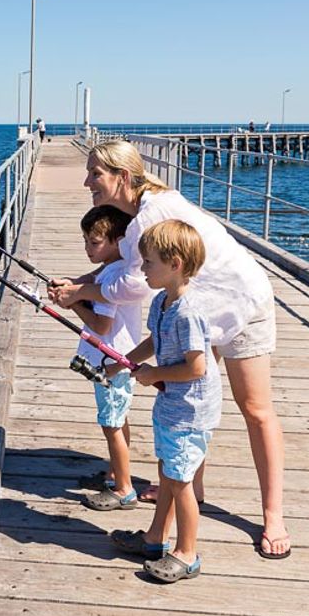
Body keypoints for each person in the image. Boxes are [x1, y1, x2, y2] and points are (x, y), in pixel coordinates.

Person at [48, 139, 291, 559]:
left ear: (122, 177)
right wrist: (78, 285)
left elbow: (133, 283)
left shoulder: (151, 215)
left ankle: (273, 515)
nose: (86, 180)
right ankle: (185, 489)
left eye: (95, 174)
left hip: (241, 302)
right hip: (193, 314)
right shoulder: (137, 213)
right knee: (188, 410)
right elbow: (121, 267)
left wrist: (81, 292)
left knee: (255, 409)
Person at [106, 219, 220, 582]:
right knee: (167, 473)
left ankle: (187, 553)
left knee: (182, 480)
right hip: (172, 406)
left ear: (176, 264)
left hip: (191, 411)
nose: (142, 269)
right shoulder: (161, 301)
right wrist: (124, 361)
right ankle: (156, 538)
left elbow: (197, 368)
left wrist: (154, 375)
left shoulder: (188, 312)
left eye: (149, 263)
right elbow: (154, 342)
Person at [66, 206, 143, 511]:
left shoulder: (112, 279)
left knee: (111, 423)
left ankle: (124, 489)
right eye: (85, 241)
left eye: (94, 243)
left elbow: (101, 326)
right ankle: (115, 473)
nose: (87, 249)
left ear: (118, 241)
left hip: (111, 365)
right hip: (119, 362)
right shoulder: (116, 267)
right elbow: (90, 280)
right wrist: (72, 287)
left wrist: (73, 303)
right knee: (119, 418)